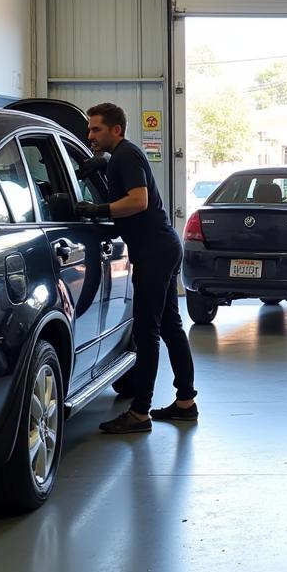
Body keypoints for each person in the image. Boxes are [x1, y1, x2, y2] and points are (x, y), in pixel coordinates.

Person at [76, 102, 199, 434]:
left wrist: (96, 208)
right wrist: (102, 170)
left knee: (148, 332)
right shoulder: (121, 156)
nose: (90, 135)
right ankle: (186, 403)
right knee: (171, 326)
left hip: (154, 252)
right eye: (89, 129)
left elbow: (138, 200)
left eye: (96, 129)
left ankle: (140, 413)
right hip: (163, 246)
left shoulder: (126, 155)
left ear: (116, 129)